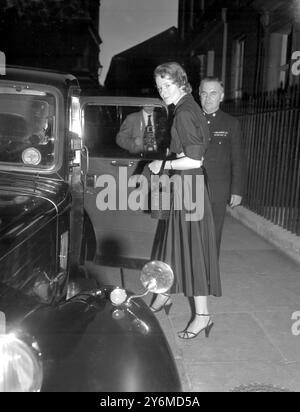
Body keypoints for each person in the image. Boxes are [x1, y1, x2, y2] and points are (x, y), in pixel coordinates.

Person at [148, 62, 221, 340]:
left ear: (181, 82)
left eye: (167, 84)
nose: (163, 91)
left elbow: (194, 158)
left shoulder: (184, 112)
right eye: (159, 86)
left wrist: (162, 164)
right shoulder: (188, 107)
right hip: (188, 186)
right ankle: (163, 296)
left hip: (189, 186)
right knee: (175, 244)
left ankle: (202, 315)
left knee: (193, 251)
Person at [199, 77, 244, 256]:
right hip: (190, 185)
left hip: (218, 188)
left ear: (221, 96)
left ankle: (209, 277)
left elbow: (238, 159)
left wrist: (237, 190)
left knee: (213, 233)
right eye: (204, 93)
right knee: (189, 232)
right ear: (199, 95)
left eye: (213, 93)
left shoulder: (231, 123)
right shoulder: (190, 120)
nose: (208, 98)